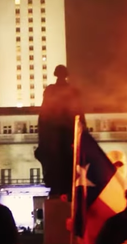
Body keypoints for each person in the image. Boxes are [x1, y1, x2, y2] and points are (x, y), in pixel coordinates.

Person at [36, 65, 86, 199]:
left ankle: (63, 190)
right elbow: (44, 112)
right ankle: (59, 189)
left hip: (65, 134)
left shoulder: (68, 91)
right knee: (57, 163)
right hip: (57, 134)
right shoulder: (55, 91)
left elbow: (79, 113)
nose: (61, 77)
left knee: (64, 164)